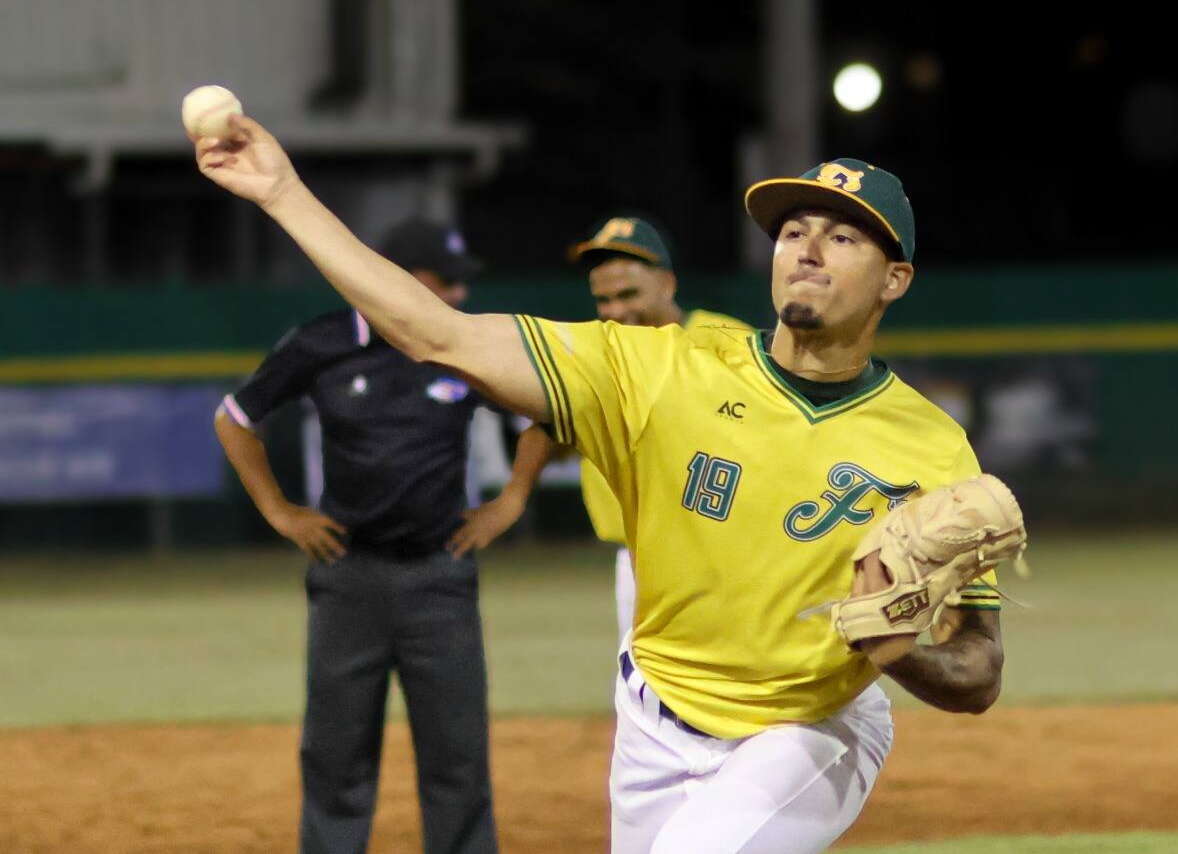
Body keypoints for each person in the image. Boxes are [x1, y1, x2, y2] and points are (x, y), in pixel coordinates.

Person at [196, 119, 1005, 854]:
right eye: (793, 230)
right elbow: (435, 332)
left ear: (894, 279)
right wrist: (283, 193)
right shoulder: (656, 372)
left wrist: (898, 650)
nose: (806, 248)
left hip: (808, 730)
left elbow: (978, 672)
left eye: (842, 237)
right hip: (652, 720)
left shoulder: (932, 448)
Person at [213, 217, 498, 854]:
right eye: (445, 281)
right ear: (396, 279)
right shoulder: (324, 343)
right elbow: (235, 420)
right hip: (349, 578)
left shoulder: (468, 344)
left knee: (457, 758)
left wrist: (508, 504)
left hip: (440, 576)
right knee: (336, 756)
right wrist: (282, 513)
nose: (457, 295)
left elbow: (549, 415)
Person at [449, 215, 751, 646]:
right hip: (638, 562)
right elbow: (550, 422)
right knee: (646, 697)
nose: (616, 311)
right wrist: (514, 495)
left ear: (667, 284)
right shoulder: (602, 353)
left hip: (725, 553)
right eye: (603, 300)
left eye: (628, 294)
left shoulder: (727, 342)